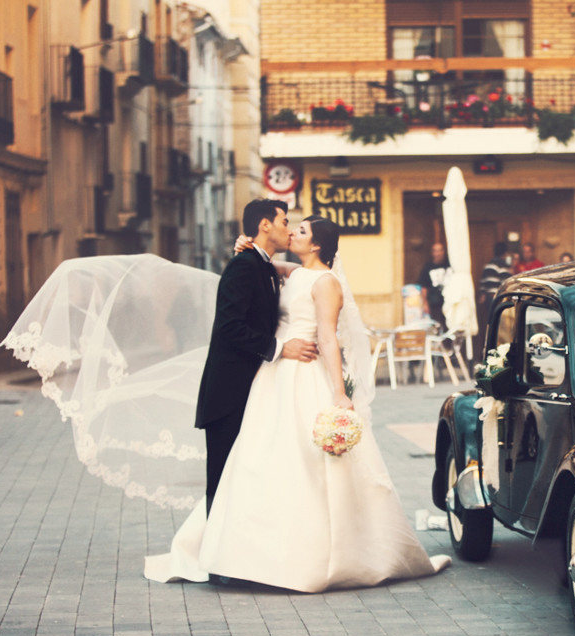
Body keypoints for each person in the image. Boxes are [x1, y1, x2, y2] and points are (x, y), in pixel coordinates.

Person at [144, 216, 450, 591]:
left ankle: (313, 554)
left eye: (301, 231)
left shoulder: (326, 283)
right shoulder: (297, 273)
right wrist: (246, 245)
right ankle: (247, 551)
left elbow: (327, 337)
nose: (293, 233)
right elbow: (267, 262)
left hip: (305, 373)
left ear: (318, 244)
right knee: (260, 455)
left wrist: (339, 392)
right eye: (292, 227)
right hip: (274, 377)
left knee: (303, 459)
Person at [195, 199, 318, 515]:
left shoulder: (260, 264)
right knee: (222, 480)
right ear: (265, 225)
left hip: (251, 391)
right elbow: (229, 326)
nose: (287, 229)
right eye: (284, 222)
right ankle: (216, 559)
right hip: (228, 393)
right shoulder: (244, 266)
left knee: (242, 479)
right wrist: (281, 348)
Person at [418, 242, 450, 330]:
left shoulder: (450, 265)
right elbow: (424, 287)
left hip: (450, 302)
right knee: (437, 326)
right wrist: (425, 304)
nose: (438, 253)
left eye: (440, 250)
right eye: (436, 251)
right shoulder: (428, 267)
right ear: (432, 253)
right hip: (435, 303)